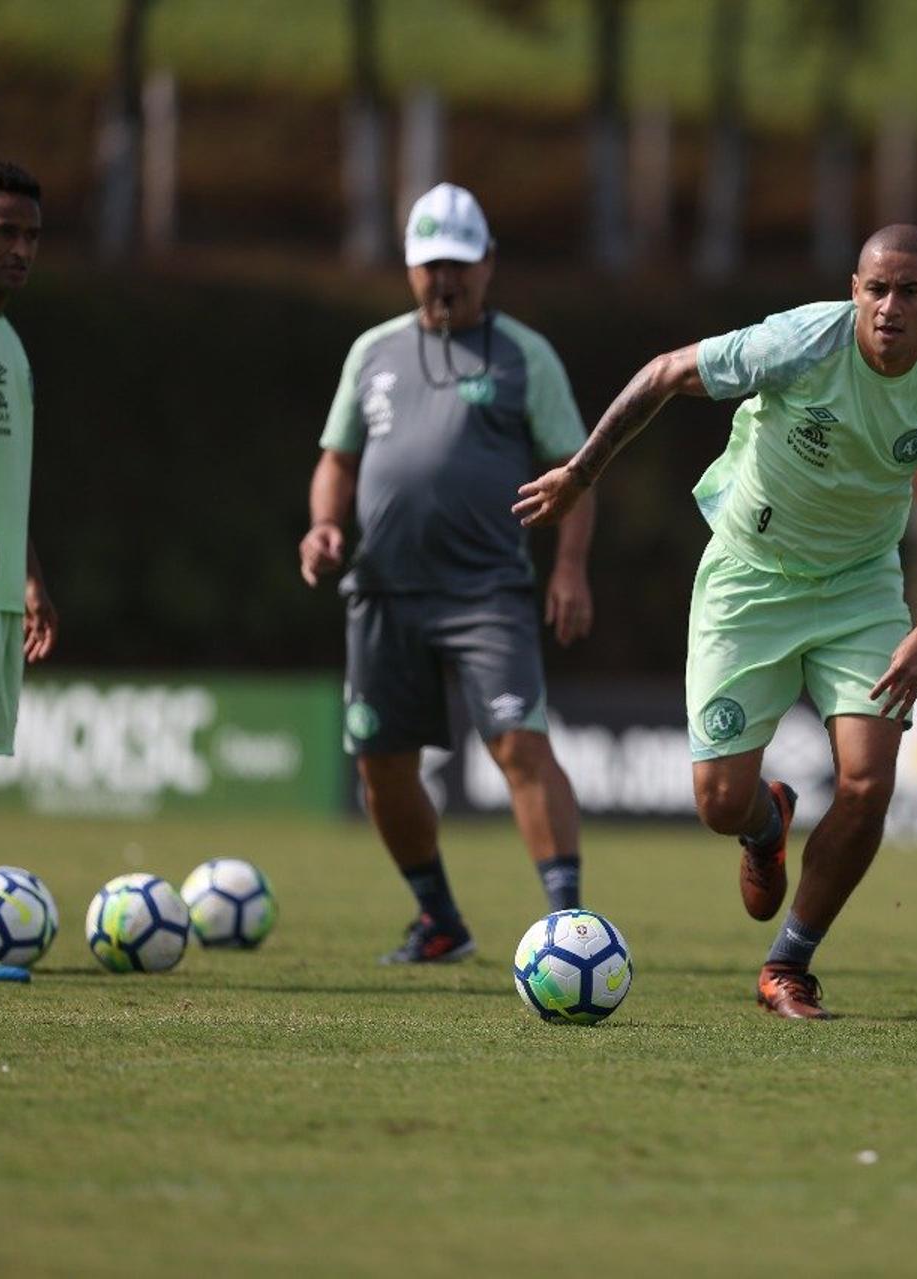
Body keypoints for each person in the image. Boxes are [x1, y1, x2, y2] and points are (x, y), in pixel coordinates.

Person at [515, 224, 917, 1020]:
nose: (889, 307)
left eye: (910, 291)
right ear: (853, 290)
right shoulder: (800, 343)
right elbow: (667, 373)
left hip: (860, 589)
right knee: (716, 800)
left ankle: (789, 965)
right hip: (749, 576)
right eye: (876, 288)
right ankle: (765, 823)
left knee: (870, 781)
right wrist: (578, 473)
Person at [299, 183, 596, 965]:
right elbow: (337, 459)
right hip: (384, 594)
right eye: (430, 265)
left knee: (519, 746)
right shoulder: (373, 352)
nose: (444, 279)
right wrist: (325, 525)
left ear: (489, 263)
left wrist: (569, 567)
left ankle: (569, 926)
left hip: (487, 592)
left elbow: (574, 471)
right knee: (381, 767)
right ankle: (439, 920)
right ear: (409, 268)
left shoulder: (525, 355)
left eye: (460, 263)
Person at [0, 161, 57, 984]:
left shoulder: (7, 336)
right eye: (5, 231)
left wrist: (28, 576)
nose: (22, 250)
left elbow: (0, 476)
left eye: (31, 236)